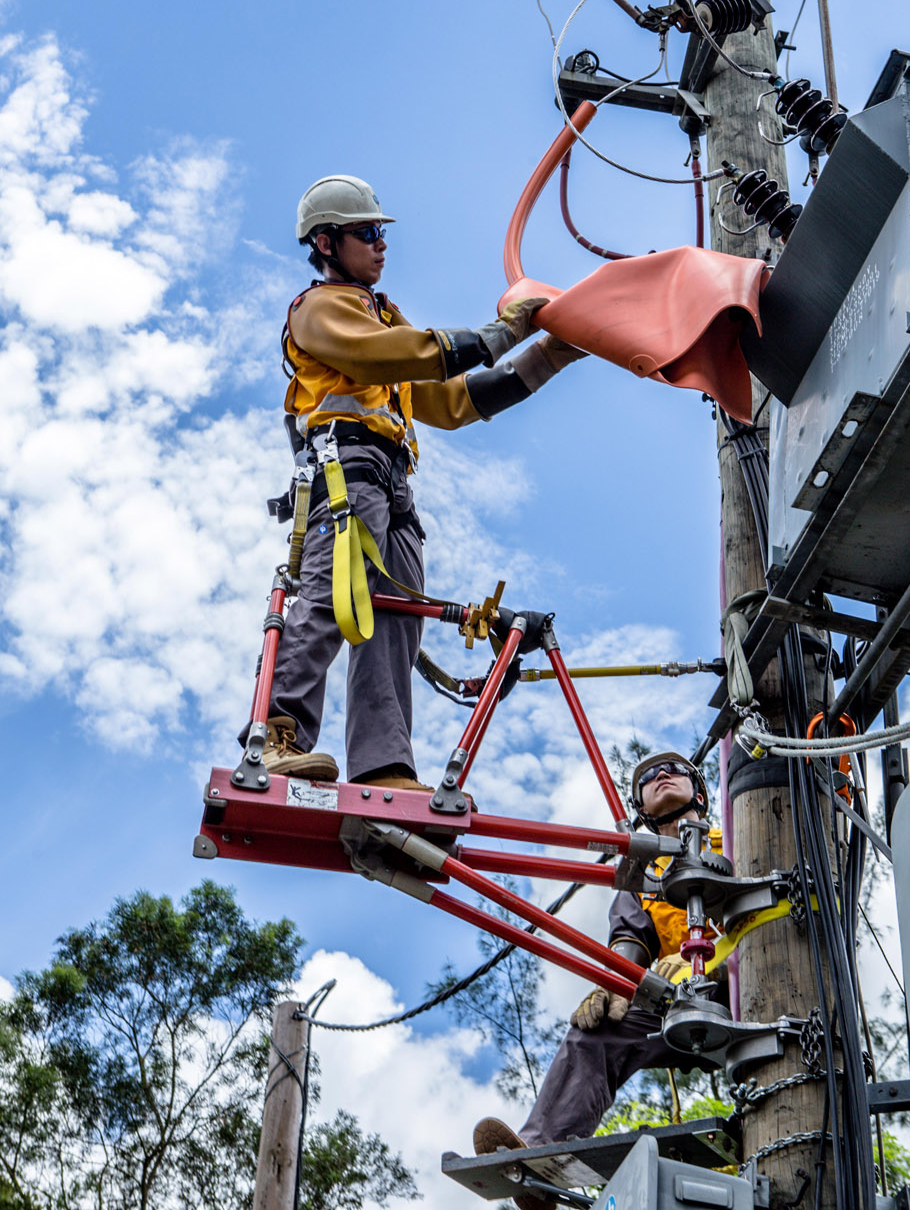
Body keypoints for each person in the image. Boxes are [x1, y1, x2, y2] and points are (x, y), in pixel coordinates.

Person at [240, 173, 583, 788]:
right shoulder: (320, 309)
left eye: (381, 233)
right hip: (346, 472)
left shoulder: (382, 320)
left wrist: (548, 353)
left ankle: (384, 764)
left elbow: (452, 402)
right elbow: (391, 353)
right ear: (324, 243)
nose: (381, 244)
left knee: (397, 619)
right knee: (332, 593)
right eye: (367, 233)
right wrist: (498, 332)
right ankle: (276, 735)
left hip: (393, 483)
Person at [472, 754, 726, 1210]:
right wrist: (615, 986)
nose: (660, 775)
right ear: (642, 809)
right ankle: (539, 1162)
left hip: (745, 984)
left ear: (701, 792)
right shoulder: (645, 877)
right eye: (647, 777)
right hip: (683, 1005)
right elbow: (631, 939)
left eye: (674, 770)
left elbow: (770, 913)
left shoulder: (738, 831)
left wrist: (709, 964)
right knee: (596, 1032)